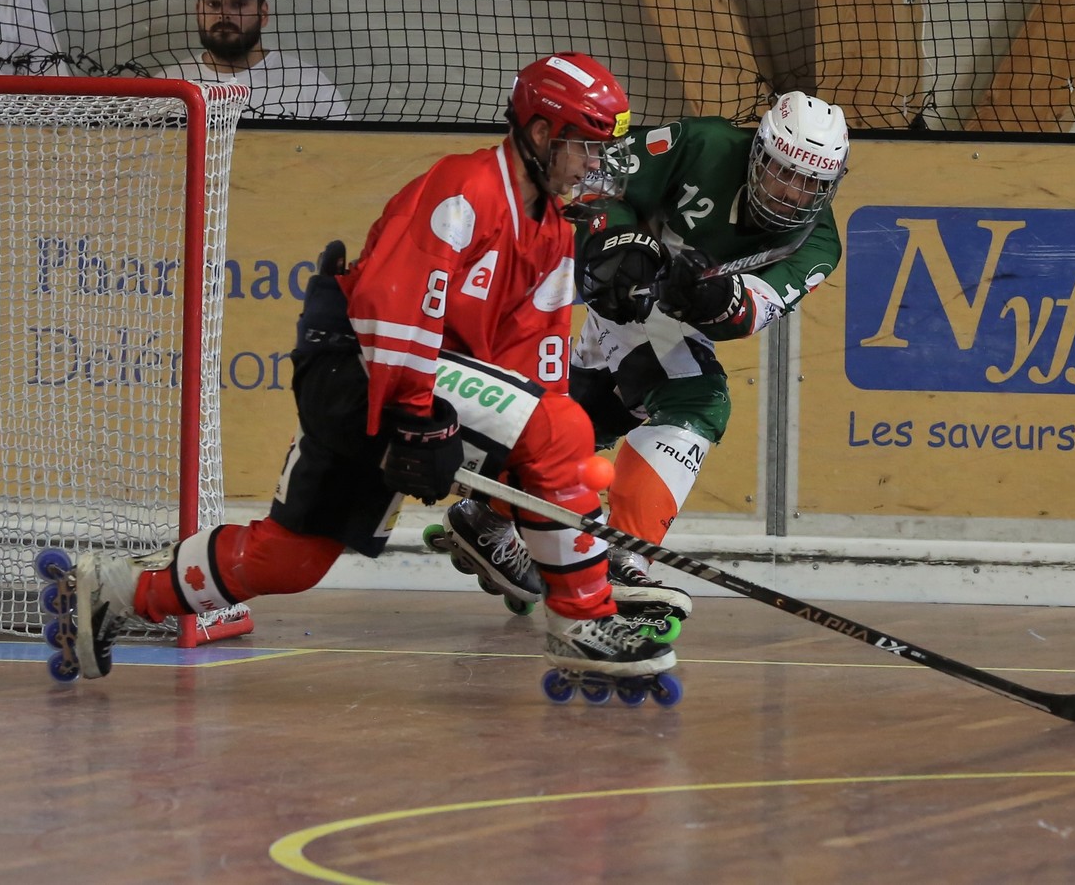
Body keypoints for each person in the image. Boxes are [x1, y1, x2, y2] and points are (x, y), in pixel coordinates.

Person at [51, 52, 680, 697]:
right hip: (362, 370)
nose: (592, 164)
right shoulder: (465, 188)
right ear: (542, 133)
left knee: (291, 559)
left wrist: (526, 473)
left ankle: (118, 591)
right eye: (583, 146)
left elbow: (532, 363)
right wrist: (418, 418)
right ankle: (584, 620)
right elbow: (396, 306)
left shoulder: (552, 234)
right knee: (562, 429)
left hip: (412, 383)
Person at [439, 92, 848, 620]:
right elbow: (600, 171)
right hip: (588, 265)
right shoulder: (704, 143)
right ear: (757, 152)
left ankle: (489, 514)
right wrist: (620, 239)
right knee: (695, 399)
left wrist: (717, 299)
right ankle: (619, 558)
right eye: (783, 172)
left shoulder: (819, 245)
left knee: (595, 413)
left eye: (811, 183)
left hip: (663, 312)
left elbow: (754, 310)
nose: (791, 194)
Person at [145, 0, 350, 120]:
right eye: (213, 4)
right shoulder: (167, 87)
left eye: (238, 4)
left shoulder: (310, 85)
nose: (224, 14)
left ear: (263, 13)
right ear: (198, 10)